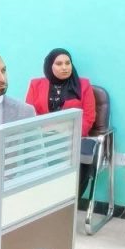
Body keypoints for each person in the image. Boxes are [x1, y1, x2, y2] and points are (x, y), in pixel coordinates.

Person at [25, 48, 97, 195]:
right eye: (59, 64)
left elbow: (89, 117)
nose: (65, 67)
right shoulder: (35, 85)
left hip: (71, 138)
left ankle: (68, 199)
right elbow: (29, 115)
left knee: (78, 161)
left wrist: (69, 130)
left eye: (67, 63)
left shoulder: (83, 85)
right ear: (49, 66)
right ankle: (45, 197)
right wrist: (48, 129)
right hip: (43, 138)